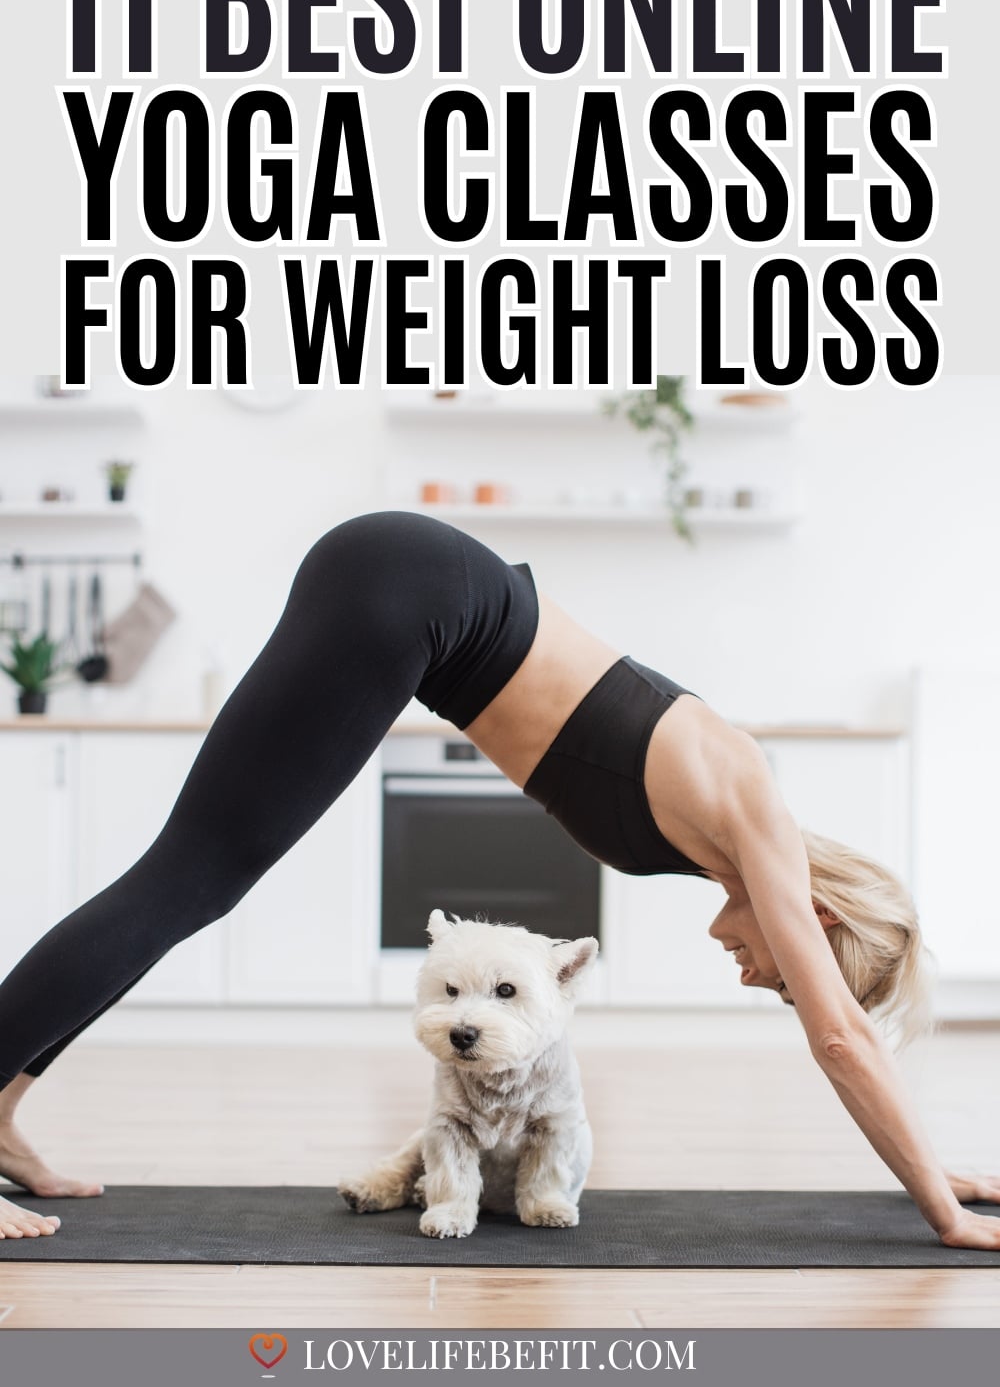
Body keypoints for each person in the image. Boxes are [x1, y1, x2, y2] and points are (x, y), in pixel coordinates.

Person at [0, 511, 998, 1247]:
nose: (754, 979)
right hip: (410, 591)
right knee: (191, 877)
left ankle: (1, 1114)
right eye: (782, 970)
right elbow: (839, 1033)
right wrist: (940, 1211)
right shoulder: (757, 809)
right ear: (814, 920)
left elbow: (835, 1028)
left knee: (195, 883)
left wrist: (927, 1164)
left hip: (410, 591)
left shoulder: (729, 833)